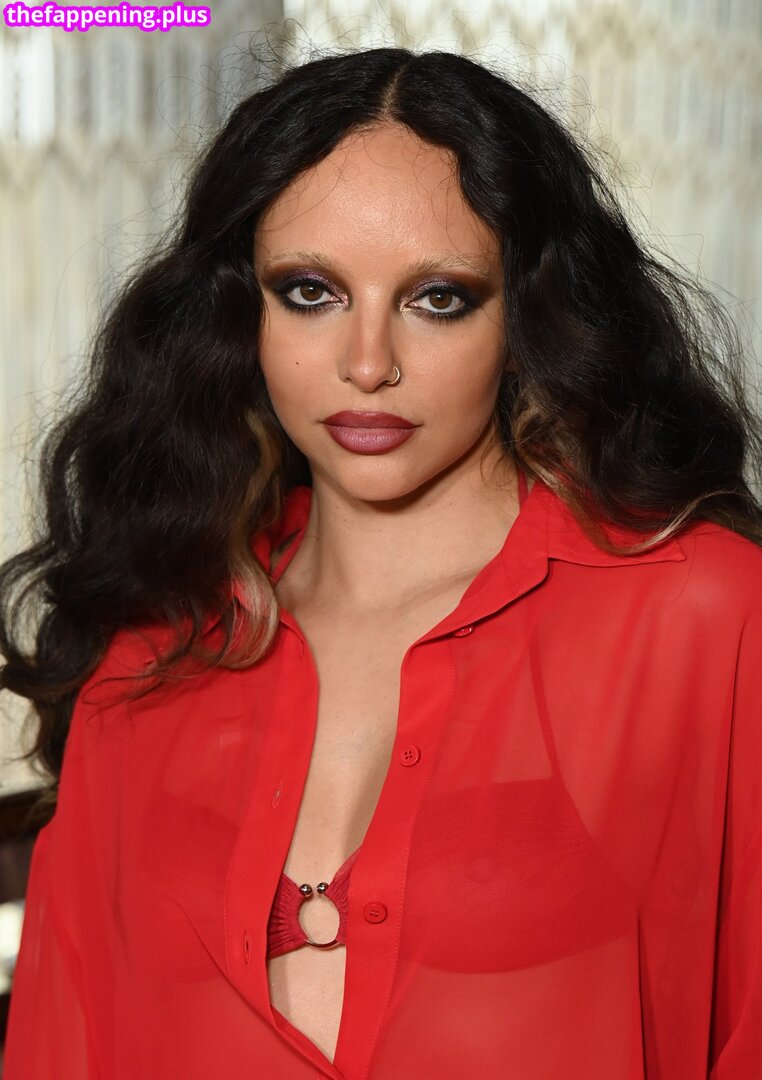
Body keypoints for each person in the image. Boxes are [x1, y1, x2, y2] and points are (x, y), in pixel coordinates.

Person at [1, 44, 761, 1079]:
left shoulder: (704, 617)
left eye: (437, 298)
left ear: (528, 313)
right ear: (240, 311)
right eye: (310, 292)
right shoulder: (148, 652)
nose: (367, 364)